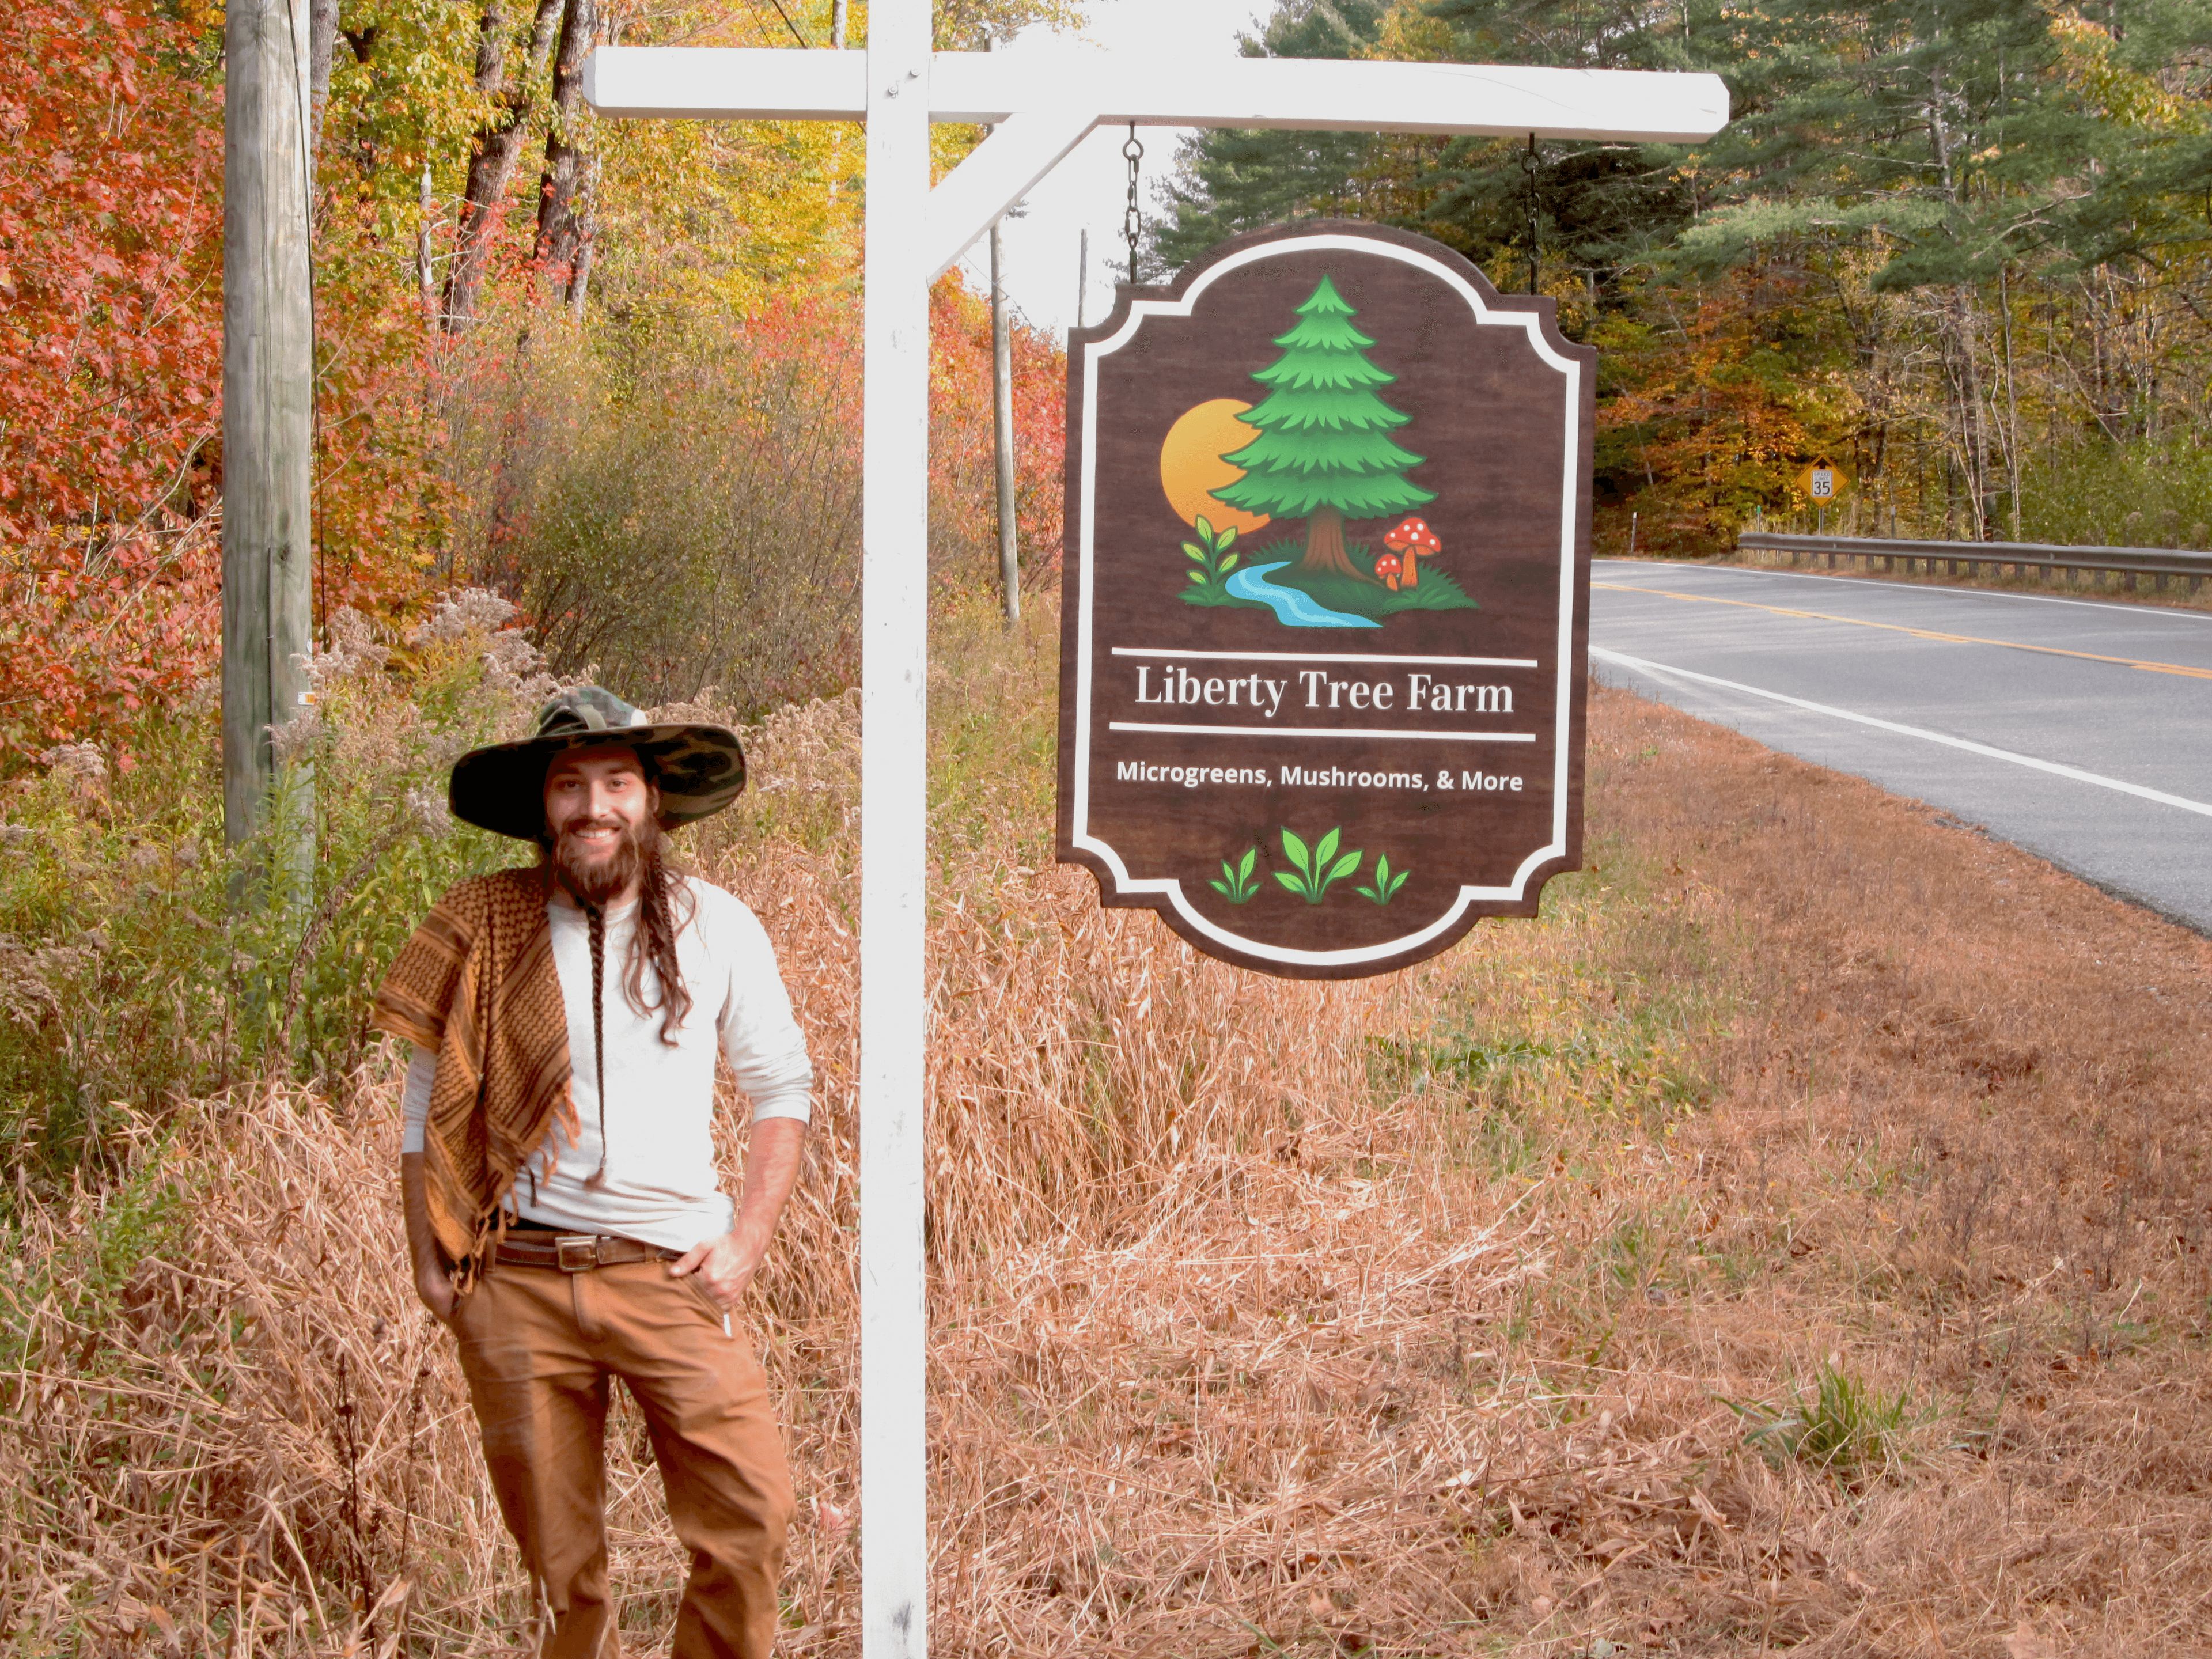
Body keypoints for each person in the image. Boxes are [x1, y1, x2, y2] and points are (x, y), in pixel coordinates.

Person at [375, 687, 812, 1659]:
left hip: (671, 1273)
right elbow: (424, 1105)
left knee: (751, 1518)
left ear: (653, 799)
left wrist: (746, 1241)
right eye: (569, 785)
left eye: (616, 782)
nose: (593, 806)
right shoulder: (485, 926)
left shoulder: (716, 923)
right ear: (544, 807)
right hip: (517, 1281)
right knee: (560, 1572)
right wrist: (428, 1257)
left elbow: (781, 1086)